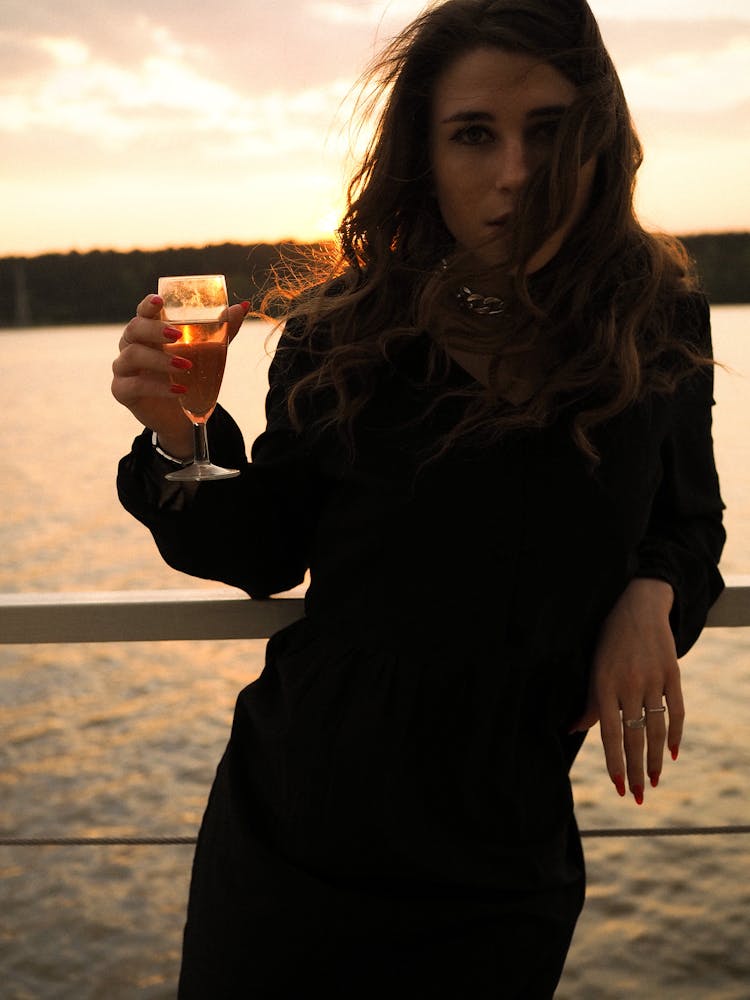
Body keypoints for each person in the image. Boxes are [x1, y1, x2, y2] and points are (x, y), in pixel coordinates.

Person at [112, 1, 725, 996]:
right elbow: (265, 549)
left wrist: (654, 593)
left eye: (552, 130)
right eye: (474, 134)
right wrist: (181, 433)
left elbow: (689, 521)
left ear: (600, 141)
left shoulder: (656, 326)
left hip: (504, 861)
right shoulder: (343, 332)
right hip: (295, 842)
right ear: (424, 154)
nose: (516, 174)